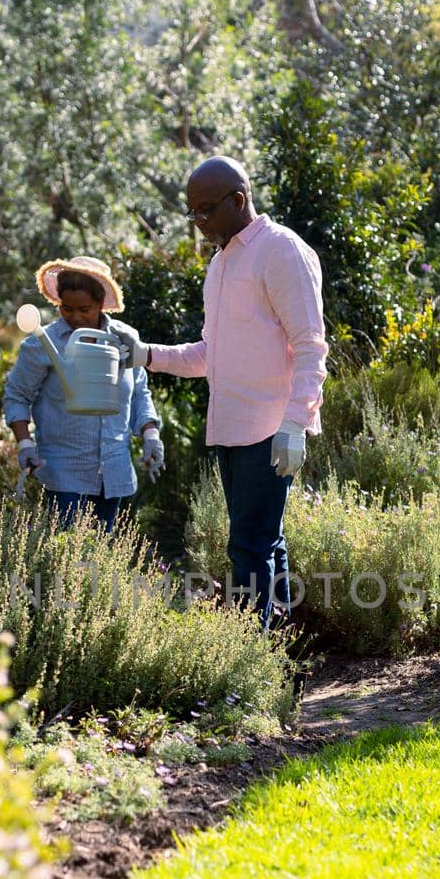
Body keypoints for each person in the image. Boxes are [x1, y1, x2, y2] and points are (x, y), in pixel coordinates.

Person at [125, 157, 327, 623]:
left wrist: (295, 423)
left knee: (248, 547)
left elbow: (311, 346)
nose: (197, 224)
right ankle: (283, 662)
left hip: (270, 429)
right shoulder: (219, 264)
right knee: (264, 542)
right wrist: (145, 354)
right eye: (191, 212)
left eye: (204, 211)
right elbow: (208, 355)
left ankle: (249, 671)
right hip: (231, 430)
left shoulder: (281, 251)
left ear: (238, 200)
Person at [3, 255, 163, 532]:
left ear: (101, 304)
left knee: (101, 555)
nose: (75, 317)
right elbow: (17, 395)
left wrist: (150, 434)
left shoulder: (124, 340)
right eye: (67, 308)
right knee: (68, 552)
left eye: (84, 309)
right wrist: (24, 444)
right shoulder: (44, 343)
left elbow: (139, 393)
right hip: (63, 469)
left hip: (112, 470)